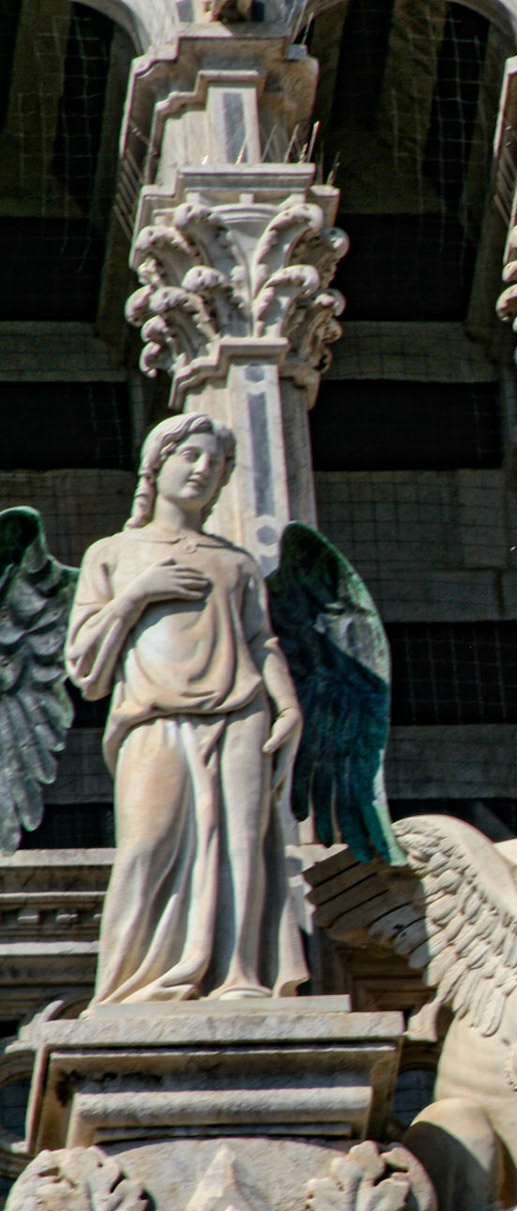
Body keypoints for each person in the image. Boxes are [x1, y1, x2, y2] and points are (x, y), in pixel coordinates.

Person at [66, 413, 308, 1003]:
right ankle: (124, 989)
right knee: (146, 847)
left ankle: (237, 975)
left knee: (243, 847)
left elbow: (261, 640)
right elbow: (82, 662)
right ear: (156, 465)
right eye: (190, 456)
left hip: (241, 713)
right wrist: (136, 594)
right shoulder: (112, 554)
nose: (203, 469)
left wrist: (287, 706)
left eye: (215, 463)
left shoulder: (236, 562)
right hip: (153, 719)